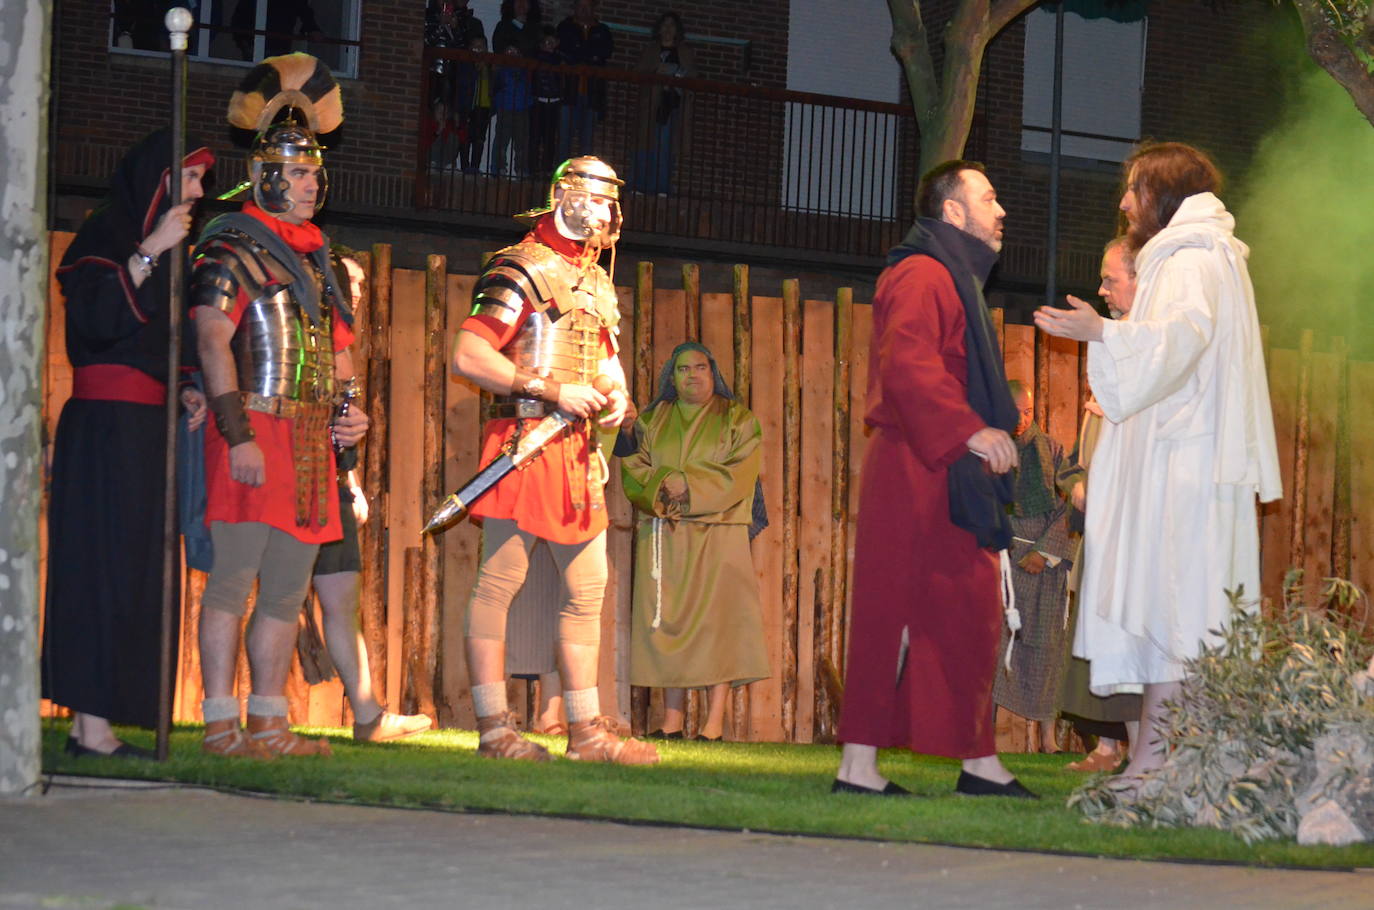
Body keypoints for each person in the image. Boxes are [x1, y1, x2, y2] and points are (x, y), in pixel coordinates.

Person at [1034, 142, 1281, 780]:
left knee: (1174, 608)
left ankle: (1160, 766)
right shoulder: (1193, 256)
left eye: (1133, 189)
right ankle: (1154, 762)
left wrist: (1104, 333)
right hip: (1179, 462)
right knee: (1168, 609)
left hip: (1183, 468)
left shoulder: (1192, 259)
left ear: (1162, 194)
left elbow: (1181, 342)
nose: (1123, 203)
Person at [834, 160, 1035, 799]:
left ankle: (978, 761)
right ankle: (858, 769)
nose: (1001, 210)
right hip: (916, 464)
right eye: (990, 196)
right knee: (889, 612)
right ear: (952, 212)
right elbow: (906, 365)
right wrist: (969, 431)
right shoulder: (922, 273)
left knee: (967, 611)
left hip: (945, 466)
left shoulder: (951, 277)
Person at [450, 156, 658, 765]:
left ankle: (586, 733)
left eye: (611, 203)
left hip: (577, 452)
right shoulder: (520, 265)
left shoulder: (594, 279)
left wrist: (617, 396)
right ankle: (494, 729)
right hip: (527, 442)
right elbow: (469, 354)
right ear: (564, 195)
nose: (606, 213)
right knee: (498, 582)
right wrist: (551, 390)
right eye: (595, 200)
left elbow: (604, 362)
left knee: (589, 587)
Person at [190, 53, 369, 759]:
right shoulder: (231, 242)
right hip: (253, 426)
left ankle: (267, 724)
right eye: (297, 171)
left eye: (315, 171)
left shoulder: (320, 260)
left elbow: (341, 353)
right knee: (232, 584)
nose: (310, 182)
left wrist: (353, 415)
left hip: (309, 440)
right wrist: (235, 433)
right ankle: (217, 724)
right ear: (264, 174)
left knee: (286, 594)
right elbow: (209, 340)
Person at [42, 130, 214, 759]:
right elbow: (97, 321)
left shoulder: (177, 252)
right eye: (190, 179)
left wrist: (184, 387)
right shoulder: (107, 234)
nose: (199, 192)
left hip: (147, 433)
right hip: (103, 430)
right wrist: (149, 250)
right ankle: (89, 727)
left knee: (141, 575)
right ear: (160, 181)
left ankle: (104, 719)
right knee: (98, 571)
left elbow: (167, 341)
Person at [310, 250, 433, 743]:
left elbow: (340, 424)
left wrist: (352, 480)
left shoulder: (342, 349)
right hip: (291, 481)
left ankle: (368, 717)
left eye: (361, 287)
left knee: (342, 600)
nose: (357, 295)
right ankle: (256, 716)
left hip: (331, 484)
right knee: (274, 598)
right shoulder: (304, 337)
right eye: (351, 285)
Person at [622, 343, 770, 742]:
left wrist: (688, 483)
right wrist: (660, 484)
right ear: (672, 376)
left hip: (720, 536)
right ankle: (671, 724)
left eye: (700, 367)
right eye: (683, 369)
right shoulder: (652, 420)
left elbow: (741, 472)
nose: (692, 375)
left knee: (716, 628)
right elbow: (634, 467)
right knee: (668, 625)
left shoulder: (739, 419)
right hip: (666, 535)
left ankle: (712, 725)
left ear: (713, 371)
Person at [1055, 237, 1142, 773]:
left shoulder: (1149, 347)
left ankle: (1142, 749)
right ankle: (1106, 745)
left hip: (1134, 526)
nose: (1103, 289)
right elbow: (1078, 456)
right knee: (1093, 628)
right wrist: (1080, 484)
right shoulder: (1114, 348)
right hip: (1102, 521)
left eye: (1112, 279)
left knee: (1128, 633)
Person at [991, 380, 1072, 754]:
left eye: (1028, 412)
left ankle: (1047, 740)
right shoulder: (990, 450)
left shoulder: (1053, 451)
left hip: (1042, 567)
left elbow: (1070, 508)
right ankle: (980, 733)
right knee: (991, 649)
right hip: (1001, 564)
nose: (1022, 420)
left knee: (1043, 650)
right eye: (1015, 412)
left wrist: (1045, 552)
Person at [632, 11, 695, 196]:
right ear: (659, 29)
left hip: (671, 103)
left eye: (672, 25)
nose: (668, 29)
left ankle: (661, 187)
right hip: (651, 102)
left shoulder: (684, 51)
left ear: (677, 30)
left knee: (666, 145)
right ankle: (640, 185)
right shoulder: (651, 49)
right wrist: (655, 70)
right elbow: (638, 72)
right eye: (665, 25)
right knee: (645, 143)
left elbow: (692, 75)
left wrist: (678, 76)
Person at [557, 0, 613, 159]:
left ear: (593, 8)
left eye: (587, 6)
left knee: (587, 144)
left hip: (592, 93)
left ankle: (581, 180)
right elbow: (565, 51)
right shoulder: (565, 27)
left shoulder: (602, 30)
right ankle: (561, 178)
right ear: (574, 7)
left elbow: (605, 52)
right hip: (569, 91)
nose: (584, 9)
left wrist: (581, 55)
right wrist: (586, 56)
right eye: (580, 5)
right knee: (564, 141)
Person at [491, 42, 533, 177]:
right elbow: (495, 88)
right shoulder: (500, 70)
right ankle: (498, 167)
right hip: (505, 108)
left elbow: (528, 88)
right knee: (502, 140)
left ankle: (521, 169)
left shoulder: (524, 70)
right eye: (509, 51)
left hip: (521, 109)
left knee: (521, 142)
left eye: (514, 51)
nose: (512, 54)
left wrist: (528, 104)